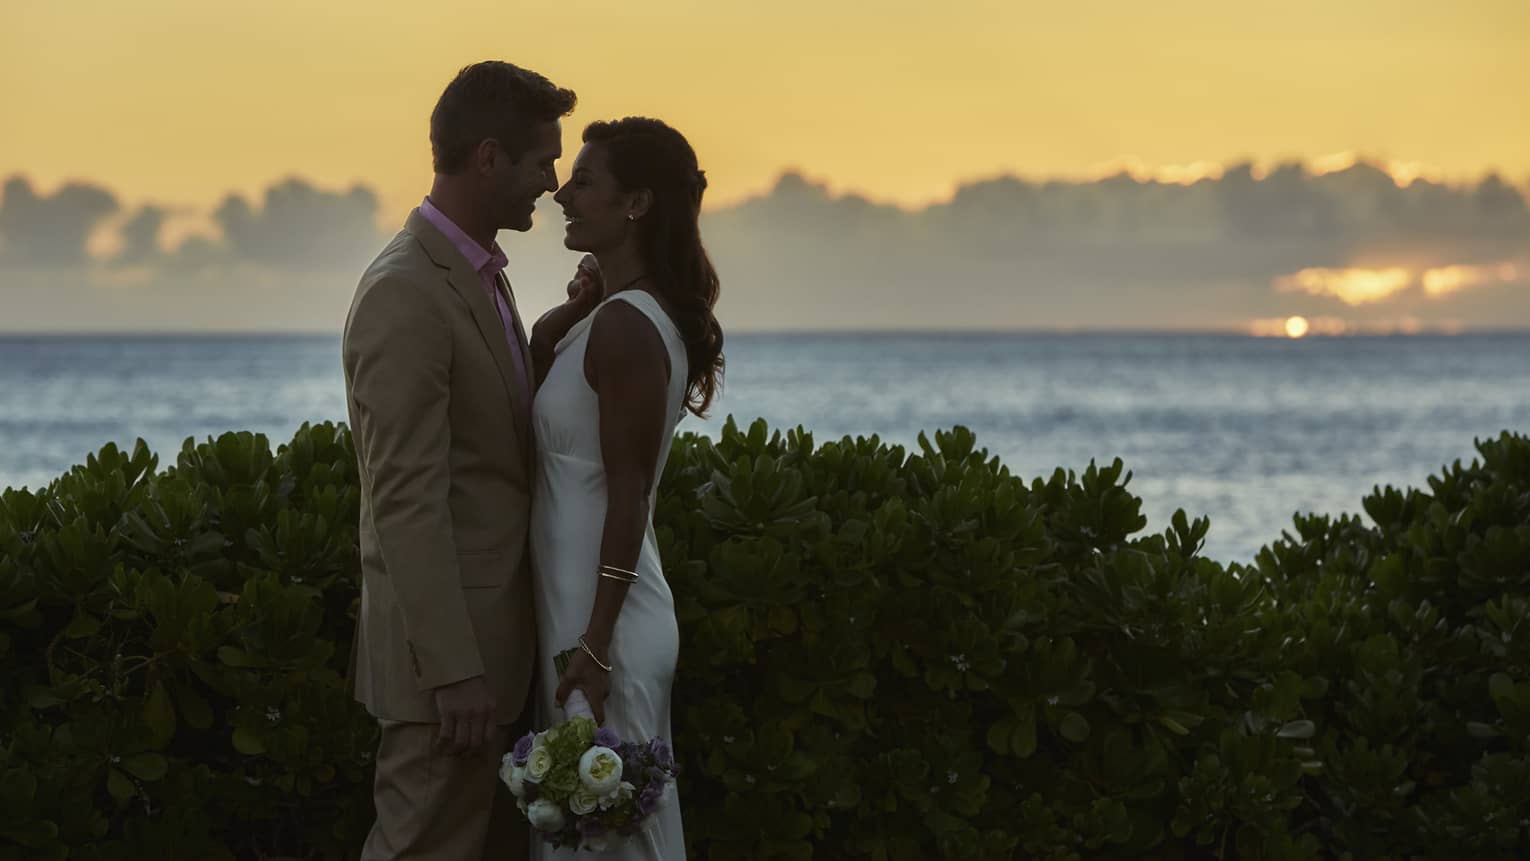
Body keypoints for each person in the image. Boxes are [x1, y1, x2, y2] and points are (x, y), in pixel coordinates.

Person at [341, 60, 593, 861]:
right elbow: (405, 499)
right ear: (488, 157)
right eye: (541, 161)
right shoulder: (406, 291)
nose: (552, 183)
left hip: (492, 652)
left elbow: (490, 442)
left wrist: (549, 335)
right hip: (445, 669)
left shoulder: (477, 275)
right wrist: (453, 671)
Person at [527, 116, 725, 860]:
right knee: (586, 842)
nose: (562, 194)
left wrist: (598, 644)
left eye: (584, 182)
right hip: (582, 614)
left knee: (611, 845)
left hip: (605, 626)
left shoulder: (626, 329)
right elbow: (539, 379)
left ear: (637, 203)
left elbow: (630, 494)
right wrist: (567, 315)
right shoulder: (604, 320)